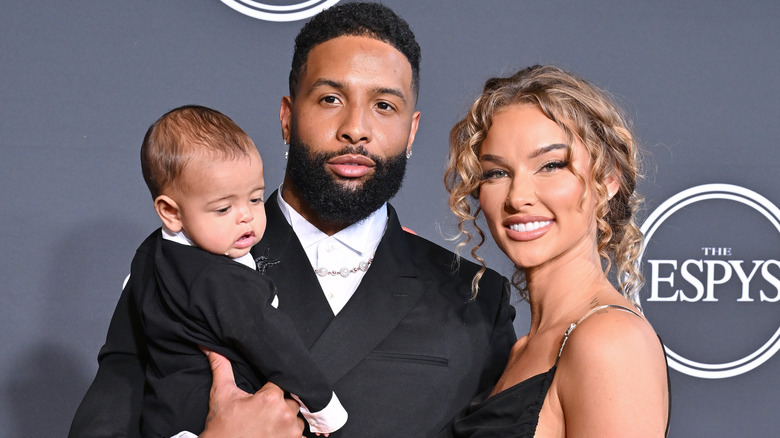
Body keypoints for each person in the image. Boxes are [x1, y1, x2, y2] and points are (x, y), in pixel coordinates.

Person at [68, 3, 517, 437]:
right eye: (330, 98)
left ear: (412, 130)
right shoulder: (172, 263)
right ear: (287, 117)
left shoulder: (476, 298)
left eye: (384, 105)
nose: (355, 128)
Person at [441, 65, 671, 437]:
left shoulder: (609, 340)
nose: (518, 197)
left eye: (550, 165)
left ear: (608, 179)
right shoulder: (519, 350)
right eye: (496, 173)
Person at [126, 105, 347, 436]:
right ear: (171, 212)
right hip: (214, 414)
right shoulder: (219, 278)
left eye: (256, 199)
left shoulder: (150, 255)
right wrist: (324, 410)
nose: (246, 216)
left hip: (164, 416)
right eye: (224, 208)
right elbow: (276, 345)